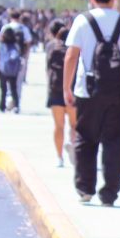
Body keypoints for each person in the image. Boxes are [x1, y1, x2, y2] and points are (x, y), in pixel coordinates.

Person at [63, 0, 120, 206]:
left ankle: (85, 188)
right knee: (116, 142)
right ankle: (109, 193)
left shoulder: (82, 20)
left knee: (86, 139)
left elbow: (71, 56)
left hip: (87, 91)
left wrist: (66, 87)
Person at [45, 21, 75, 168]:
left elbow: (47, 70)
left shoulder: (51, 47)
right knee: (75, 125)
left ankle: (59, 157)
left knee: (58, 126)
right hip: (72, 90)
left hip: (55, 91)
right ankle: (73, 147)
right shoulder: (74, 48)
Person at [0, 25, 23, 114]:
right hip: (13, 70)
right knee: (14, 88)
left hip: (3, 69)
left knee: (3, 89)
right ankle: (16, 105)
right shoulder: (16, 46)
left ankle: (2, 105)